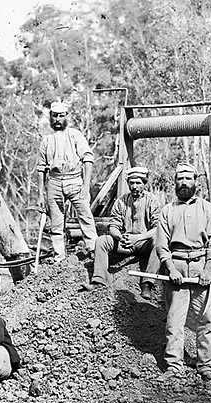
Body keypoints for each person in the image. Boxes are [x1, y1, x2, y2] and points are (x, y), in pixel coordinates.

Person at [155, 163, 211, 383]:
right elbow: (162, 245)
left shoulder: (207, 208)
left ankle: (206, 365)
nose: (183, 183)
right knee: (174, 321)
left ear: (196, 182)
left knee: (204, 321)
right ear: (174, 183)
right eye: (179, 179)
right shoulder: (167, 211)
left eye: (188, 178)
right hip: (177, 268)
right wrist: (171, 268)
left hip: (201, 265)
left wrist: (208, 268)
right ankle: (174, 365)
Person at [83, 166, 161, 300]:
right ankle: (99, 280)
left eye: (138, 183)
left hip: (145, 242)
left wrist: (138, 238)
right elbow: (113, 225)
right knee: (101, 241)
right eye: (132, 183)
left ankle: (147, 283)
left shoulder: (152, 200)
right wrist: (119, 236)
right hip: (126, 242)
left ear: (144, 183)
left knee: (159, 242)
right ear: (128, 184)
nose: (135, 186)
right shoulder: (121, 201)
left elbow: (158, 228)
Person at [36, 101, 98, 262]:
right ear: (50, 117)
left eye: (61, 116)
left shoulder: (75, 135)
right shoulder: (46, 140)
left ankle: (93, 249)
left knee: (85, 215)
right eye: (55, 116)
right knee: (56, 222)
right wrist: (40, 195)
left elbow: (88, 159)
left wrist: (85, 186)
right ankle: (59, 256)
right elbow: (41, 168)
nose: (57, 119)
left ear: (66, 117)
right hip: (54, 182)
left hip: (74, 179)